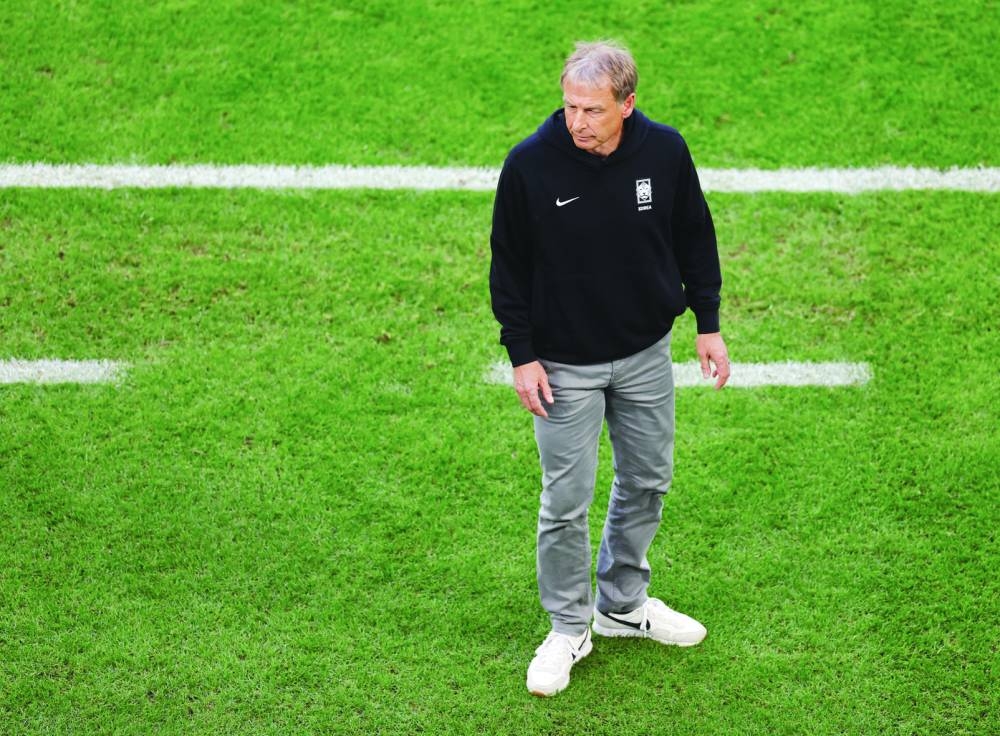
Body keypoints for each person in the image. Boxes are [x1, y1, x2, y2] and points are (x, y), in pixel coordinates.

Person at [489, 40, 731, 697]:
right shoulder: (531, 165)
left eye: (592, 109)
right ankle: (569, 627)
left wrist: (706, 324)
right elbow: (507, 265)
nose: (578, 122)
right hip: (563, 365)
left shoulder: (665, 152)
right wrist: (522, 355)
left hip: (647, 353)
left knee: (649, 478)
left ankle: (622, 603)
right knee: (565, 503)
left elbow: (694, 235)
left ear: (628, 104)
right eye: (570, 106)